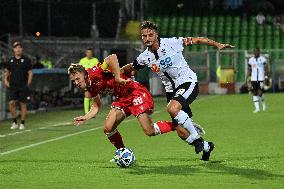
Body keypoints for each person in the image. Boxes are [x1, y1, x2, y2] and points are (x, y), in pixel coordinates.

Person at [121, 20, 234, 161]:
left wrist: (217, 44)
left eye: (150, 35)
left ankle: (197, 139)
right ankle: (206, 147)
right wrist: (117, 73)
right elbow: (132, 68)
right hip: (172, 92)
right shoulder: (144, 57)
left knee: (172, 108)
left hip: (188, 82)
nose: (147, 38)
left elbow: (197, 40)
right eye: (144, 36)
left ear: (156, 34)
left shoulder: (172, 43)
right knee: (180, 131)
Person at [69, 54, 197, 161]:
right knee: (108, 128)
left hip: (134, 92)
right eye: (73, 81)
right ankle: (122, 152)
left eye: (77, 78)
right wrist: (86, 117)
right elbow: (96, 106)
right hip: (122, 99)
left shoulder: (95, 72)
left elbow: (112, 58)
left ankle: (177, 125)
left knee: (149, 131)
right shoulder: (89, 87)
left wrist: (118, 77)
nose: (76, 83)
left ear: (84, 73)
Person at [4, 42, 33, 130]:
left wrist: (28, 84)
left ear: (22, 49)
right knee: (11, 103)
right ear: (13, 50)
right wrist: (5, 80)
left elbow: (30, 72)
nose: (18, 49)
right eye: (16, 48)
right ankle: (14, 122)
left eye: (19, 47)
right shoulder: (10, 60)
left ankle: (22, 123)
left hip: (23, 85)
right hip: (12, 85)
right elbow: (7, 71)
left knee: (22, 103)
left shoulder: (26, 60)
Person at [79, 48, 106, 114]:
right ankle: (86, 112)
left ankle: (91, 111)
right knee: (87, 94)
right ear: (86, 53)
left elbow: (98, 69)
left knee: (91, 95)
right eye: (88, 52)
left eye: (90, 53)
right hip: (85, 80)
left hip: (94, 80)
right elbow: (79, 69)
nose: (89, 54)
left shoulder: (95, 60)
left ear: (92, 53)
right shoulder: (82, 61)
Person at [246, 48, 268, 113]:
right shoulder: (251, 60)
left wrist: (266, 77)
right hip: (253, 79)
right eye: (255, 51)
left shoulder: (263, 59)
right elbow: (249, 70)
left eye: (257, 51)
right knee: (254, 93)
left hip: (261, 79)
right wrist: (247, 78)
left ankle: (264, 105)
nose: (256, 53)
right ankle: (257, 108)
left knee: (260, 93)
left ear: (259, 52)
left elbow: (266, 68)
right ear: (253, 52)